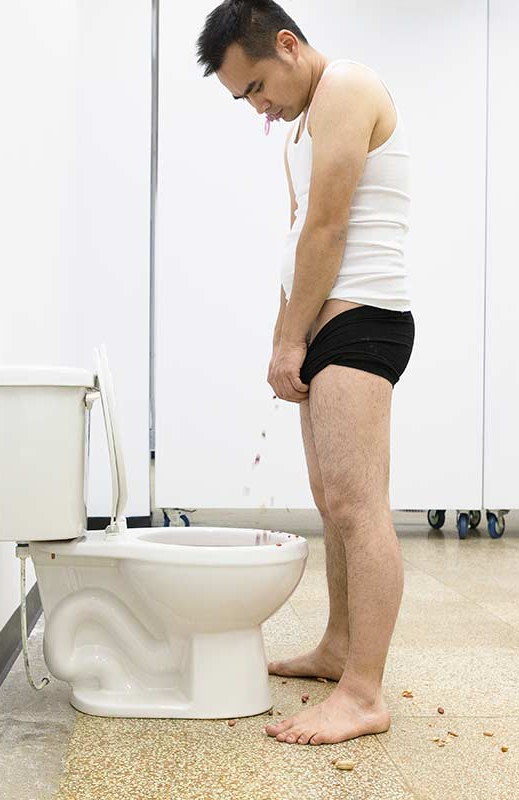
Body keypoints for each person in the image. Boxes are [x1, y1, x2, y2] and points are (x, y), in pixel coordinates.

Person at [197, 0, 414, 744]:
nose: (257, 105)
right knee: (334, 504)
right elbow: (298, 236)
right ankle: (337, 650)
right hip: (324, 324)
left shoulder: (347, 87)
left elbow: (330, 227)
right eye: (243, 98)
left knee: (360, 506)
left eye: (256, 85)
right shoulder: (299, 124)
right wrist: (281, 336)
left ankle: (364, 693)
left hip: (364, 319)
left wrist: (296, 340)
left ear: (287, 46)